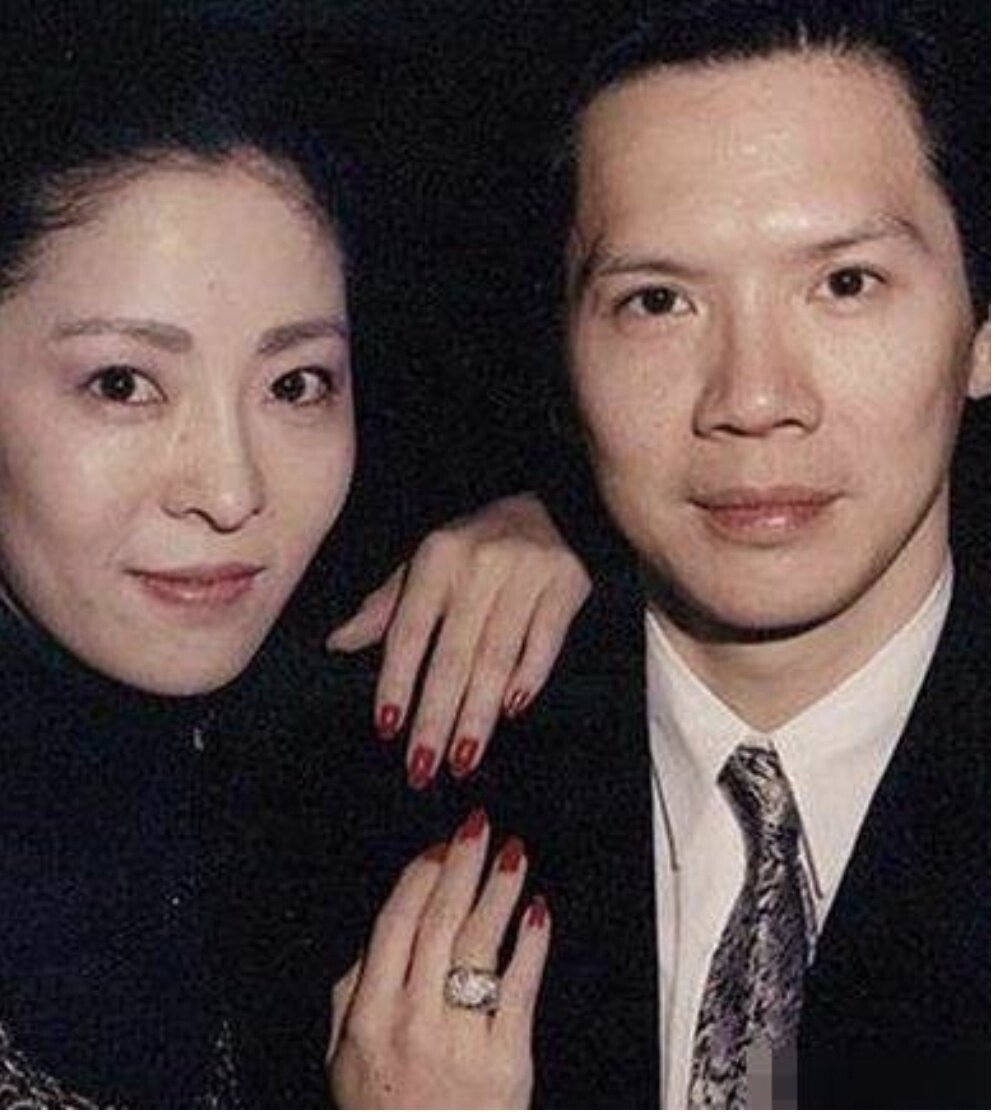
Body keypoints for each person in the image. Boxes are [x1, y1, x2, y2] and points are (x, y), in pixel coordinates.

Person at [331, 2, 988, 1107]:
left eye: (845, 284)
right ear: (563, 348)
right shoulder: (365, 793)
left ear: (982, 327)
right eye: (658, 301)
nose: (753, 398)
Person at [0, 18, 583, 1107]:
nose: (232, 492)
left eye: (295, 384)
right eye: (123, 384)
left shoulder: (316, 730)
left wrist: (584, 530)